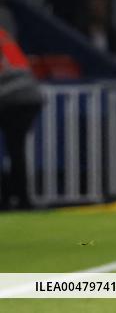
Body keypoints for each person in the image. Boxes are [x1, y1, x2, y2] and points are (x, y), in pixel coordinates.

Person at [0, 25, 43, 210]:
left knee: (15, 149)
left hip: (10, 96)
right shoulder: (2, 32)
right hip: (30, 95)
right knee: (17, 150)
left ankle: (9, 196)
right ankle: (22, 199)